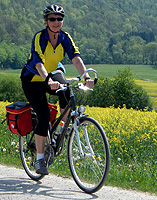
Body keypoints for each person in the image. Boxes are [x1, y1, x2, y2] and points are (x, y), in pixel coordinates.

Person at [20, 5, 94, 175]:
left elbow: (75, 58)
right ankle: (39, 159)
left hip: (53, 74)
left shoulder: (65, 37)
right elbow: (38, 62)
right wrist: (48, 80)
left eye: (59, 19)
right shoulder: (40, 37)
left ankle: (63, 128)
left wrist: (86, 76)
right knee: (44, 115)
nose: (56, 22)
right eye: (52, 19)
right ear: (46, 22)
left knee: (68, 92)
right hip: (34, 78)